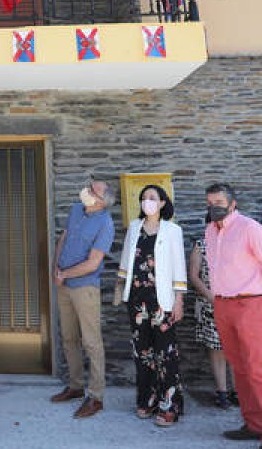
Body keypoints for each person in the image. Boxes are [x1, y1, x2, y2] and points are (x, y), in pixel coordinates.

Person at [203, 183, 262, 449]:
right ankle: (253, 425)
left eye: (218, 201)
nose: (213, 206)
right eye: (210, 202)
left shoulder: (250, 228)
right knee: (239, 368)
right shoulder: (210, 231)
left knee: (257, 370)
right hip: (223, 305)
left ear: (232, 203)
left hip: (249, 304)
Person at [116, 184, 186, 426]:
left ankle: (170, 405)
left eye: (152, 198)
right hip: (137, 301)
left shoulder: (172, 230)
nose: (147, 201)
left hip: (163, 302)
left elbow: (179, 267)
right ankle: (147, 399)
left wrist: (179, 300)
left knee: (166, 354)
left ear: (163, 203)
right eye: (144, 198)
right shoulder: (134, 228)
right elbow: (126, 262)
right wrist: (120, 288)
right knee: (143, 354)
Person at [49, 180, 115, 420]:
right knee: (68, 338)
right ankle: (75, 386)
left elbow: (93, 262)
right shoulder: (76, 209)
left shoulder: (105, 223)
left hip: (85, 287)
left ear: (101, 200)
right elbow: (63, 238)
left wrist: (64, 274)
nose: (86, 189)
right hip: (63, 284)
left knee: (91, 342)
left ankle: (96, 397)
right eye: (87, 185)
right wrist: (56, 267)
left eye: (92, 189)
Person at [188, 236, 237, 409]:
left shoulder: (236, 242)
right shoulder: (201, 245)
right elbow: (194, 276)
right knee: (217, 349)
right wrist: (212, 299)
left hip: (236, 303)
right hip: (211, 305)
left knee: (236, 349)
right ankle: (222, 391)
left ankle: (237, 391)